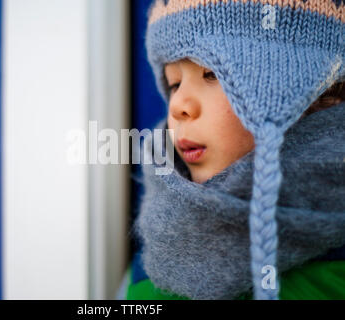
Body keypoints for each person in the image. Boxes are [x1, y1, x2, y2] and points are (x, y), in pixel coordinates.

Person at [119, 0, 345, 300]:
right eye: (174, 84)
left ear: (304, 89)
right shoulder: (155, 245)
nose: (178, 106)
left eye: (211, 74)